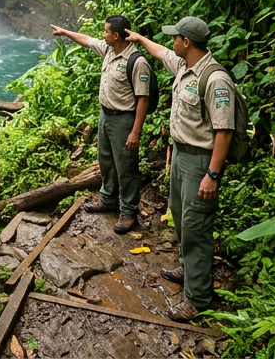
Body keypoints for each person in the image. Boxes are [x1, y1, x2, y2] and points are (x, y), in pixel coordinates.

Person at [125, 17, 234, 323]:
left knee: (196, 225)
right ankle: (188, 268)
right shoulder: (185, 67)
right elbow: (161, 52)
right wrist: (139, 39)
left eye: (176, 38)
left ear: (187, 42)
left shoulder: (214, 80)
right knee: (181, 216)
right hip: (182, 156)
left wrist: (212, 174)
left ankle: (198, 298)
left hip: (201, 160)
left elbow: (224, 130)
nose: (172, 42)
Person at [50, 16, 151, 234]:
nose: (102, 35)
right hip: (105, 114)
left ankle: (129, 212)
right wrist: (66, 32)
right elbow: (87, 40)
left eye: (105, 31)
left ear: (116, 35)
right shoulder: (108, 50)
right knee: (105, 159)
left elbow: (143, 99)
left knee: (126, 166)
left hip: (124, 118)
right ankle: (108, 199)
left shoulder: (136, 61)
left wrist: (136, 131)